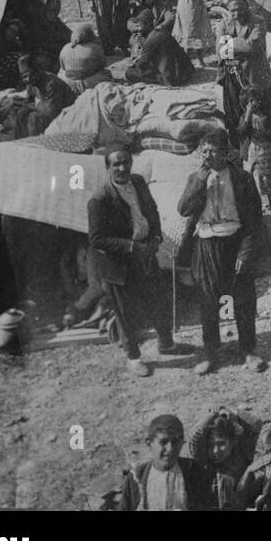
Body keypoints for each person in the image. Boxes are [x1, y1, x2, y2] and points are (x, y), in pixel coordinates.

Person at [86, 145, 191, 377]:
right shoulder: (100, 199)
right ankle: (133, 357)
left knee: (158, 300)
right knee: (125, 312)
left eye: (125, 162)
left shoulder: (139, 183)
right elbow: (97, 239)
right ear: (107, 168)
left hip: (146, 255)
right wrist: (132, 247)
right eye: (116, 164)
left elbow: (152, 212)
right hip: (119, 265)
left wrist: (155, 237)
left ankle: (167, 344)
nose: (122, 168)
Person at [176, 130, 266, 376]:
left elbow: (255, 221)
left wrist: (245, 253)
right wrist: (199, 180)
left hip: (235, 241)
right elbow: (183, 209)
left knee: (244, 299)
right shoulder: (197, 177)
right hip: (206, 243)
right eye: (204, 151)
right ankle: (211, 353)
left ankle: (249, 349)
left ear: (226, 153)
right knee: (208, 301)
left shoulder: (243, 179)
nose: (208, 156)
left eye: (214, 151)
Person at [118, 414, 207, 510]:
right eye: (163, 442)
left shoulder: (194, 471)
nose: (170, 449)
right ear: (149, 443)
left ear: (182, 443)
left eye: (175, 442)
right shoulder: (135, 478)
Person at [216, 0, 271, 134]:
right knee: (235, 110)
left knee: (260, 111)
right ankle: (239, 143)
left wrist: (230, 43)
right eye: (232, 11)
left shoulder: (258, 21)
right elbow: (221, 51)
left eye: (240, 8)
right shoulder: (225, 24)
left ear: (247, 7)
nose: (237, 13)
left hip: (255, 74)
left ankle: (265, 145)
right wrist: (241, 47)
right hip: (232, 74)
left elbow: (253, 46)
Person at [185, 408, 259, 511]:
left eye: (221, 444)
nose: (215, 451)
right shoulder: (205, 462)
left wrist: (232, 416)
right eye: (210, 445)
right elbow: (194, 439)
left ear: (233, 441)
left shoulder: (242, 454)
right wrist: (212, 415)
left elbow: (256, 424)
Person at [125, 12, 195, 87]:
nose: (137, 30)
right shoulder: (159, 32)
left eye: (140, 26)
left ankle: (164, 80)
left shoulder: (152, 39)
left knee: (129, 72)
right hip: (186, 71)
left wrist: (134, 64)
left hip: (175, 77)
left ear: (148, 25)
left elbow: (141, 65)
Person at [58, 22, 110, 92]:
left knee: (61, 72)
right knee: (106, 73)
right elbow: (102, 65)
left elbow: (63, 66)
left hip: (69, 83)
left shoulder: (65, 47)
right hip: (90, 83)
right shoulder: (95, 48)